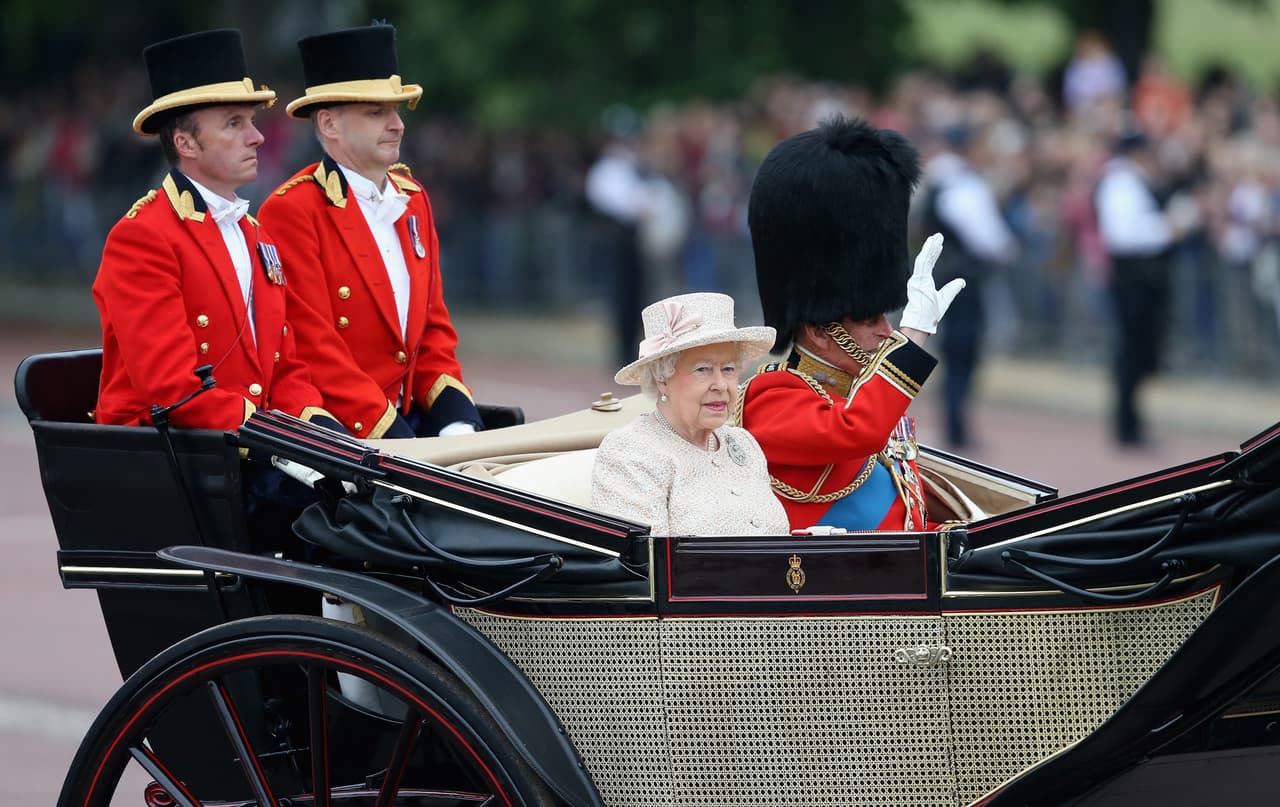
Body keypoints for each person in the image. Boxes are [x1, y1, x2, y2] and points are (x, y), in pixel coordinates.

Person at [94, 29, 337, 434]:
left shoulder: (255, 234)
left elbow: (285, 368)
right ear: (186, 143)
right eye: (233, 123)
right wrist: (287, 445)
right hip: (177, 459)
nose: (257, 137)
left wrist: (326, 436)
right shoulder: (142, 238)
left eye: (252, 122)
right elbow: (174, 392)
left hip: (246, 447)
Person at [739, 116, 965, 532]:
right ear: (819, 332)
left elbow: (903, 519)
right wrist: (912, 341)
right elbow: (854, 431)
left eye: (887, 317)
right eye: (868, 318)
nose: (887, 330)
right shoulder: (770, 399)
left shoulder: (869, 401)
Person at [258, 23, 483, 440]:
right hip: (339, 437)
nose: (397, 125)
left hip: (408, 425)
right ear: (329, 124)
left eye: (396, 111)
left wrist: (456, 420)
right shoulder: (292, 210)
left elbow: (432, 330)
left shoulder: (413, 198)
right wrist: (396, 442)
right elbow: (315, 348)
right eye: (376, 113)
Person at [590, 292, 788, 536]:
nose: (721, 385)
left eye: (728, 369)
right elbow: (646, 565)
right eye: (702, 369)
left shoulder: (744, 445)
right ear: (662, 378)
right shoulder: (630, 452)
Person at [1095, 129, 1197, 446]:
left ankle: (1131, 423)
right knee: (1131, 351)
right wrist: (1169, 230)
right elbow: (1124, 236)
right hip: (1133, 279)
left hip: (1140, 279)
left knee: (1138, 351)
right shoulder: (1121, 185)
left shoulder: (1130, 183)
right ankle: (1127, 426)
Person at [918, 125, 1018, 448]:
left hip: (944, 274)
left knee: (953, 351)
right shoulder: (961, 183)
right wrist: (1007, 249)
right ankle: (956, 427)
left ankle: (954, 423)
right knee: (963, 351)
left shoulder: (938, 179)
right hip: (964, 278)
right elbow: (986, 236)